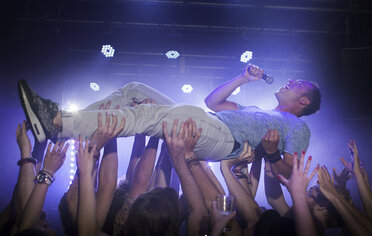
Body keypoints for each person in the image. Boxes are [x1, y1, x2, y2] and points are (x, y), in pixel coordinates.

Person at [18, 65, 321, 175]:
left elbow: (290, 170)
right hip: (211, 120)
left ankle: (57, 120)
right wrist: (242, 78)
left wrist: (272, 152)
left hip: (226, 141)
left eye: (298, 84)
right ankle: (59, 130)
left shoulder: (298, 127)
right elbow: (212, 102)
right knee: (135, 90)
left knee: (150, 115)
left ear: (304, 101)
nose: (291, 80)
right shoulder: (257, 107)